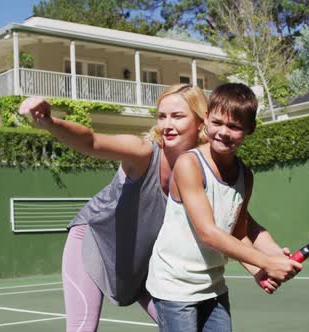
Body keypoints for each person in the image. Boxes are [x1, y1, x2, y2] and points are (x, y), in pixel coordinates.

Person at [19, 84, 291, 332]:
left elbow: (233, 224)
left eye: (177, 116)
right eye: (162, 116)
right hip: (96, 244)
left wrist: (264, 262)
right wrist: (48, 122)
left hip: (146, 261)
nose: (167, 125)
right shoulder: (144, 152)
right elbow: (91, 141)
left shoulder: (210, 166)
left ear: (201, 120)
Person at [146, 83, 303, 332]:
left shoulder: (245, 175)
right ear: (206, 119)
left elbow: (238, 231)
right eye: (217, 122)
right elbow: (208, 232)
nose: (223, 132)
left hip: (213, 286)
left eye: (234, 126)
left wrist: (262, 266)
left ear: (249, 129)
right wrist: (265, 261)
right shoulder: (189, 164)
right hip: (174, 287)